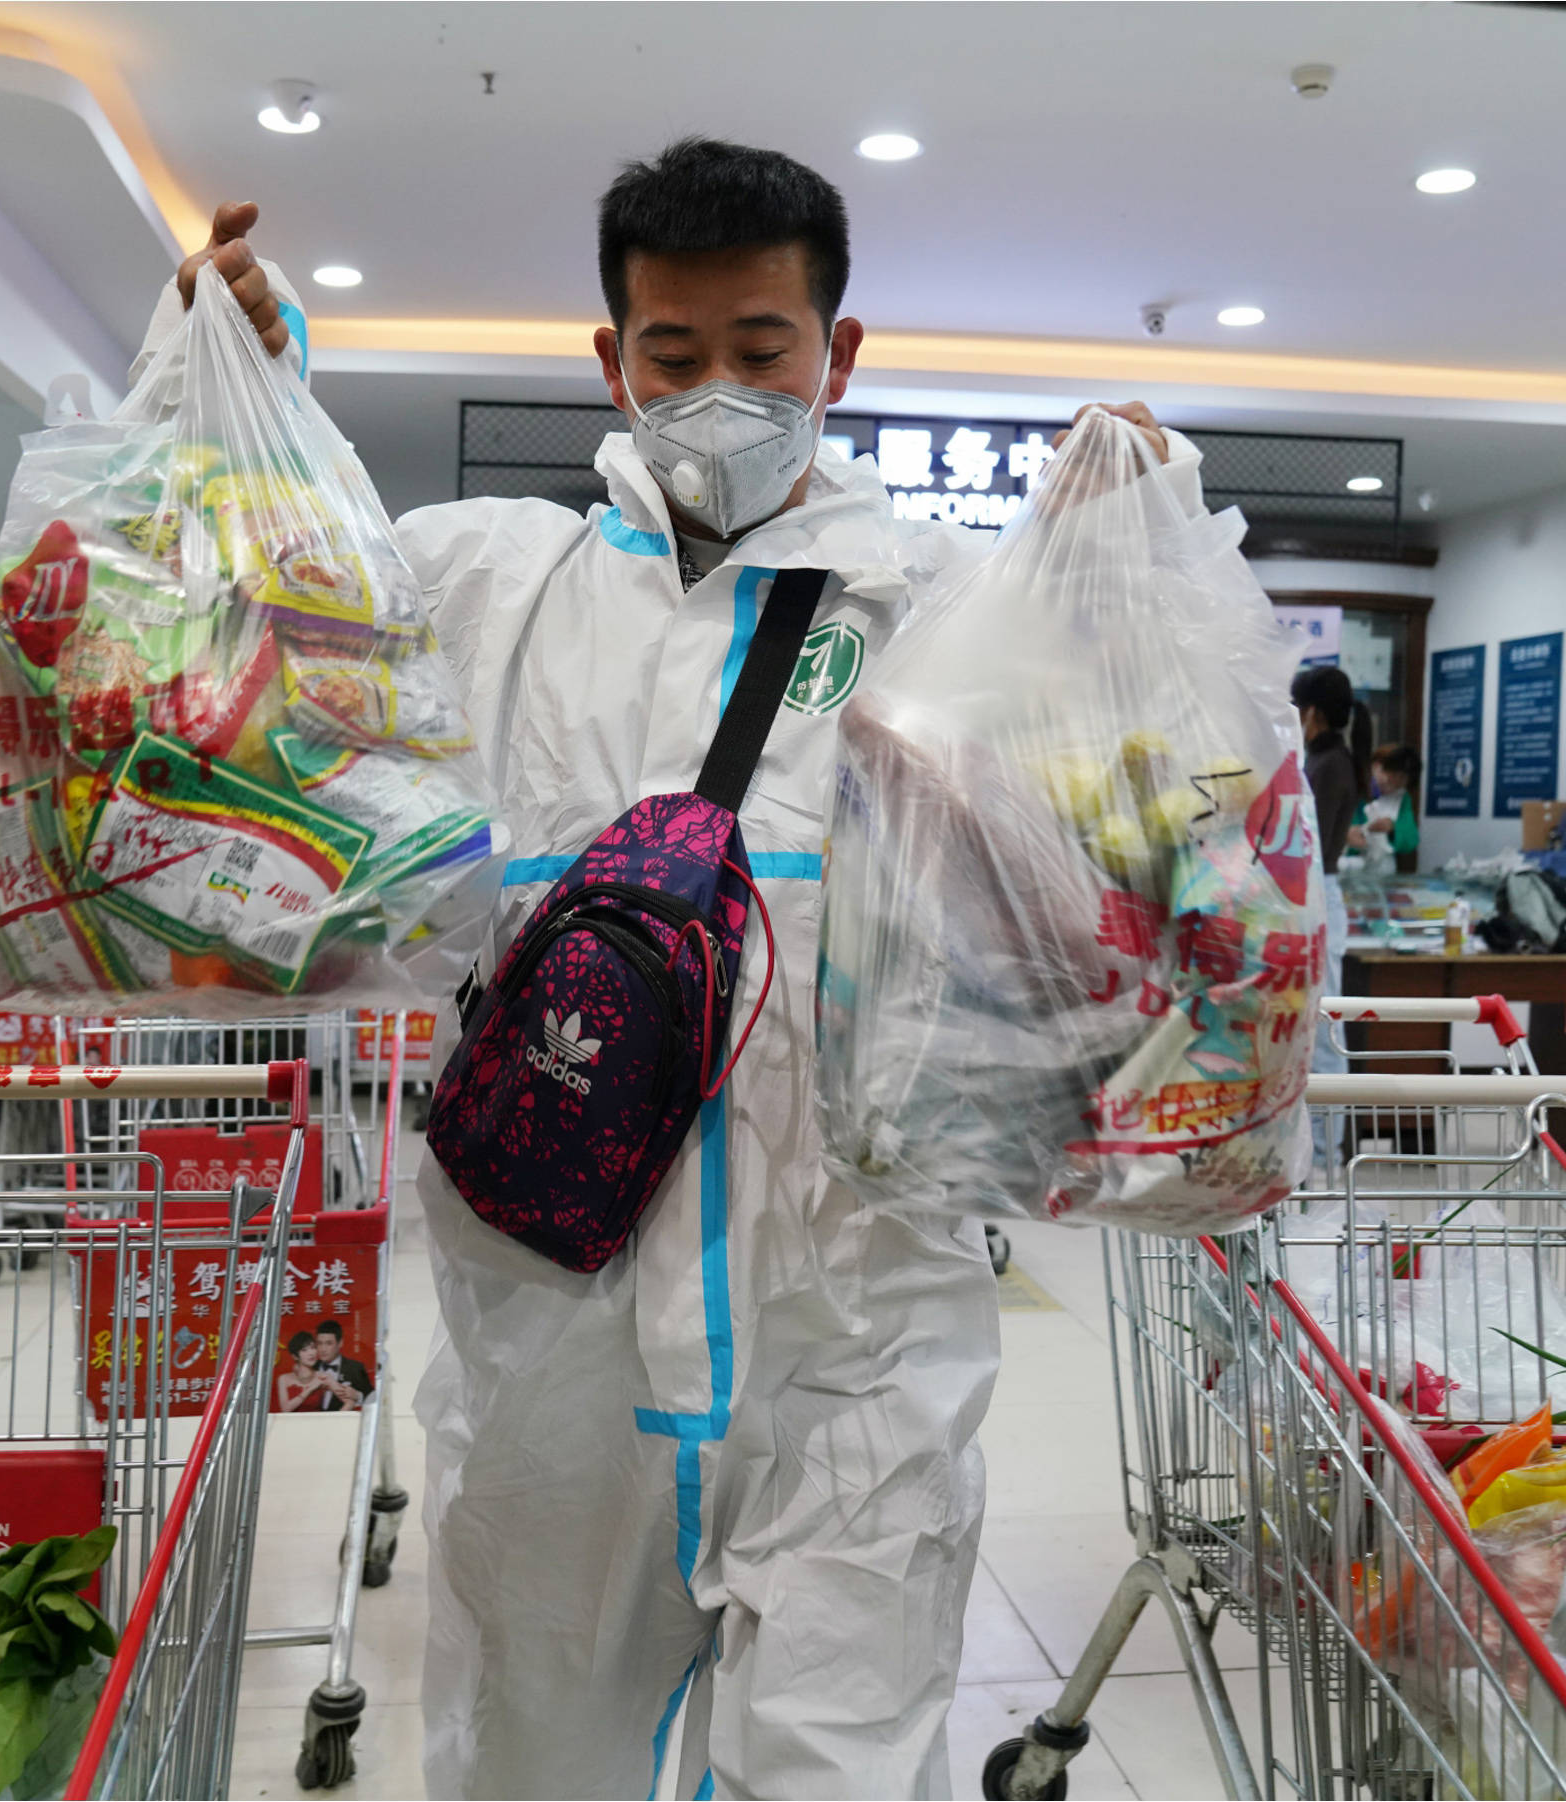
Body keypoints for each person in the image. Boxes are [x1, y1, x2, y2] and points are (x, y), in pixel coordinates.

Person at [144, 138, 1212, 1799]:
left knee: (839, 1763)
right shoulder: (490, 584)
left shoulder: (946, 611)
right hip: (549, 1332)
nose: (718, 388)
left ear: (836, 355)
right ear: (612, 360)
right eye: (675, 351)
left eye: (760, 347)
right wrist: (232, 401)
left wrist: (1115, 578)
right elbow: (249, 646)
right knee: (531, 1754)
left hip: (857, 1331)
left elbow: (1123, 867)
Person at [1289, 665, 1371, 1076]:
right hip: (1313, 894)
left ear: (1312, 712)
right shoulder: (1327, 760)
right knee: (1312, 1029)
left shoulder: (1328, 765)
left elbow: (1308, 843)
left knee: (1323, 1034)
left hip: (1318, 893)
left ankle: (1328, 1143)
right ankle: (1323, 1141)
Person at [1361, 743, 1422, 875]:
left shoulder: (1402, 798)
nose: (1390, 781)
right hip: (1352, 867)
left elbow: (1411, 839)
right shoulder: (1358, 791)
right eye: (1382, 770)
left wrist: (1393, 827)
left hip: (1384, 871)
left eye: (1402, 778)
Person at [310, 1319, 372, 1413]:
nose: (323, 1349)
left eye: (329, 1343)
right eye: (320, 1343)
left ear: (340, 1343)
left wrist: (357, 1396)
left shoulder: (355, 1368)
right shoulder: (310, 1367)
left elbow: (373, 1398)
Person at [274, 1329, 330, 1413]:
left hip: (317, 1423)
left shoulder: (322, 1376)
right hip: (291, 1424)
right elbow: (285, 1409)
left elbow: (347, 1398)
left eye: (313, 1348)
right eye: (304, 1350)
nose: (311, 1353)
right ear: (295, 1356)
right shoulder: (283, 1379)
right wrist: (310, 1389)